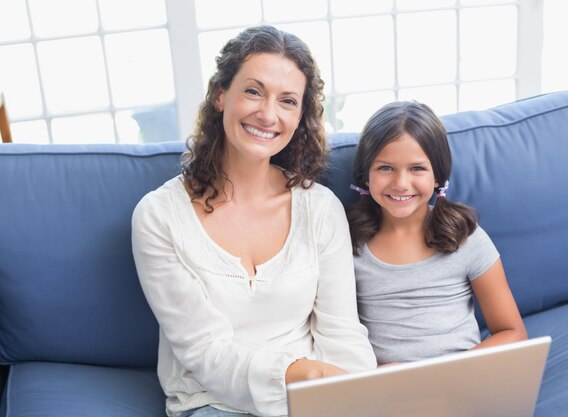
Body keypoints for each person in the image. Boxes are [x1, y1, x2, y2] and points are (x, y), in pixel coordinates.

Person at [131, 26, 376, 417]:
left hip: (312, 398)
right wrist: (302, 373)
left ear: (300, 117)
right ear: (220, 95)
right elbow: (205, 353)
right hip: (212, 402)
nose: (267, 114)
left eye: (288, 101)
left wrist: (356, 395)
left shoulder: (320, 209)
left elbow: (342, 333)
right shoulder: (159, 216)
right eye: (253, 91)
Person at [347, 101, 527, 366]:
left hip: (463, 381)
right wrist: (378, 372)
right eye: (385, 168)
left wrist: (451, 372)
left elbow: (513, 333)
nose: (401, 184)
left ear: (437, 177)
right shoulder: (347, 242)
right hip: (390, 392)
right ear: (366, 175)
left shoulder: (465, 236)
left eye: (417, 168)